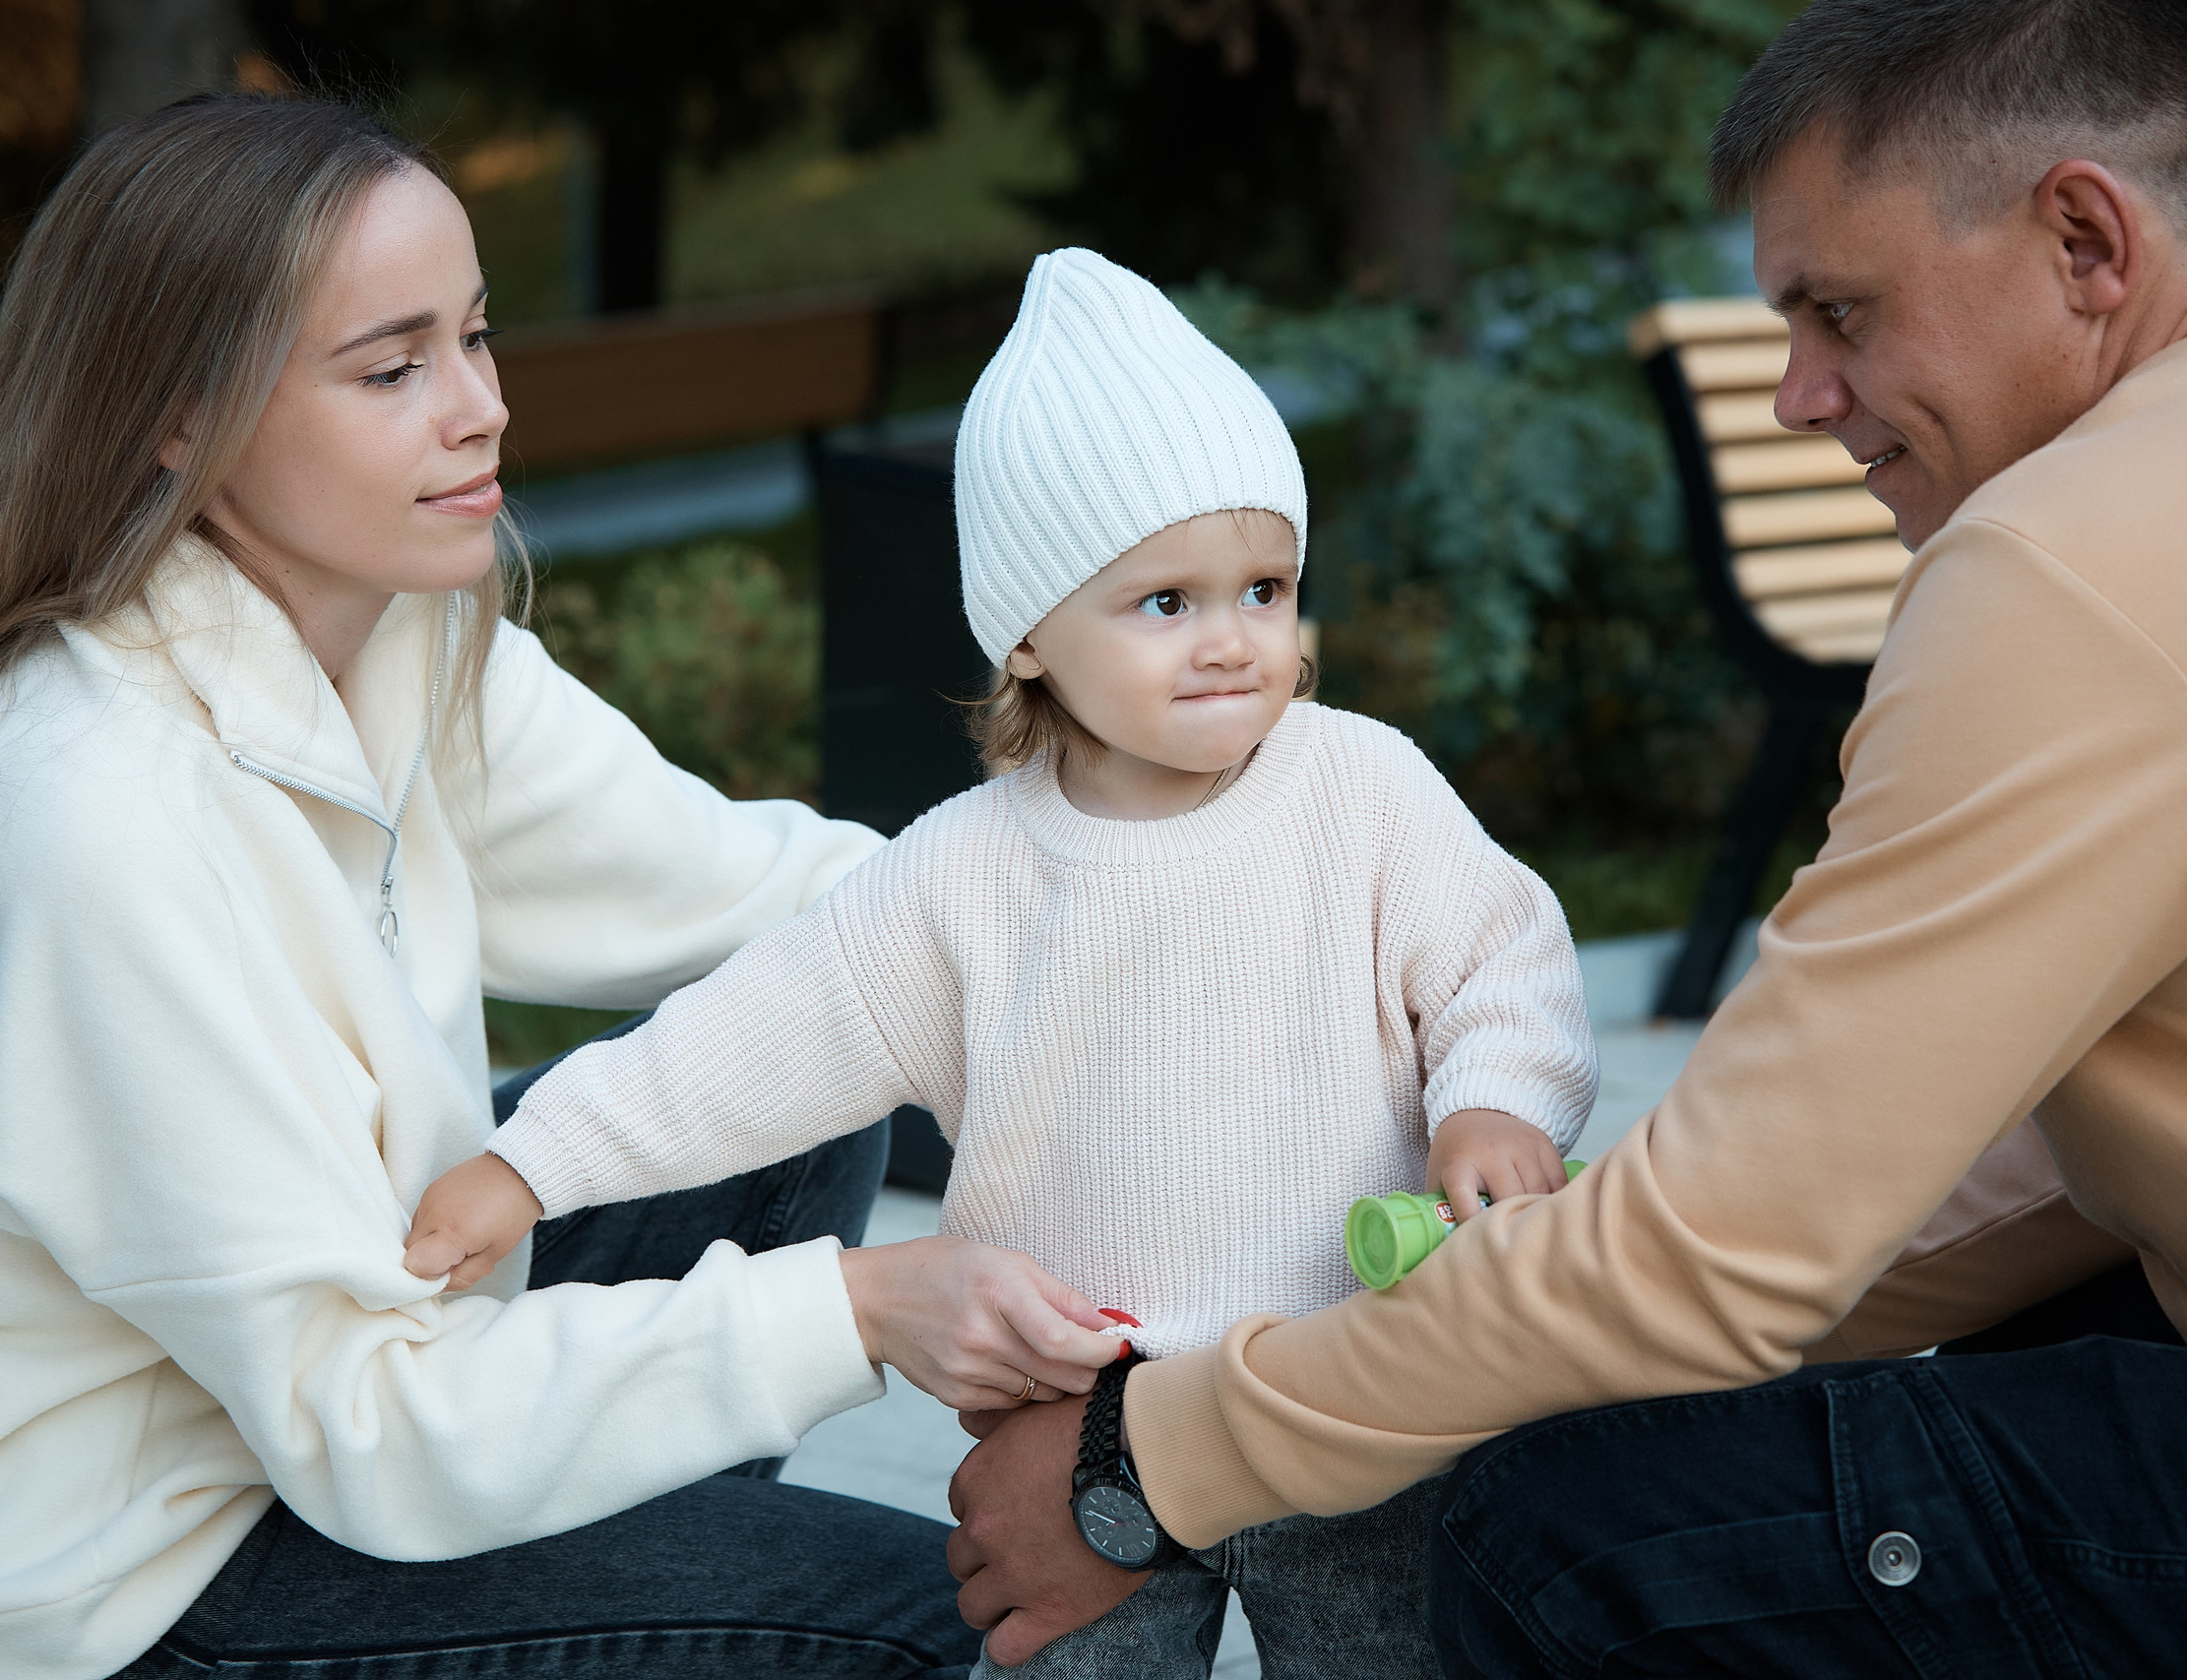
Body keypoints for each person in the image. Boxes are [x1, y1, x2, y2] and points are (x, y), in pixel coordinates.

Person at [940, 2, 2187, 1674]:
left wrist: (1146, 1466)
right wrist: (1547, 1291)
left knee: (1582, 1535)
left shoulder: (2074, 560)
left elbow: (1720, 1258)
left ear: (2084, 238)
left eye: (1841, 312)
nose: (1796, 396)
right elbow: (2020, 1189)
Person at [0, 93, 1123, 1680]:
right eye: (393, 369)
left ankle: (651, 1612)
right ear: (175, 415)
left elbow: (792, 912)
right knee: (958, 1618)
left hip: (296, 1418)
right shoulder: (79, 816)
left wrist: (1166, 929)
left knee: (797, 1062)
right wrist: (859, 1308)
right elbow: (363, 1416)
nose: (479, 411)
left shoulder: (395, 632)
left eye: (478, 337)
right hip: (106, 1591)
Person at [406, 247, 1601, 1678]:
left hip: (1353, 1394)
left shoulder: (1365, 790)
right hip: (1079, 1422)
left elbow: (1502, 961)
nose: (1233, 642)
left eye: (1266, 587)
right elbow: (743, 1041)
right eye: (1166, 603)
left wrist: (1497, 1105)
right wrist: (530, 1165)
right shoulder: (963, 875)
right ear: (1031, 637)